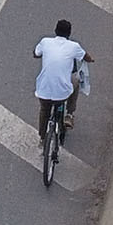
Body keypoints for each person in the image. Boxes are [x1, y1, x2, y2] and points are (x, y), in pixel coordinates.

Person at [34, 19, 91, 162]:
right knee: (75, 82)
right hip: (62, 93)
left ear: (55, 31)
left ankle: (42, 138)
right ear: (69, 33)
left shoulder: (45, 42)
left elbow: (36, 53)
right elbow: (86, 57)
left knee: (44, 111)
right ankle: (69, 114)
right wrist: (91, 60)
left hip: (43, 90)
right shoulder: (74, 46)